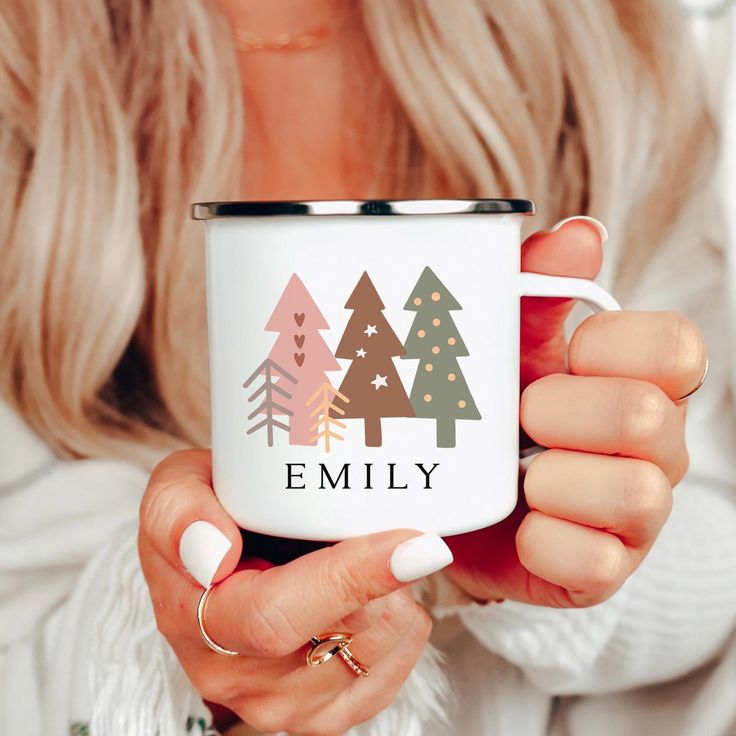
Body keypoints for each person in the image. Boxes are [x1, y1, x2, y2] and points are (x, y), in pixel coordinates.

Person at [1, 1, 734, 735]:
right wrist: (168, 642)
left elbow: (718, 558)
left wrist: (574, 528)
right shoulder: (24, 65)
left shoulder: (625, 43)